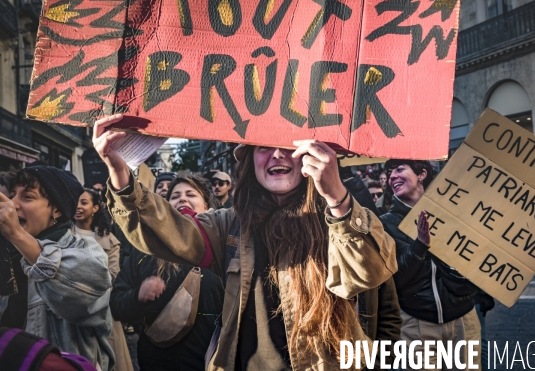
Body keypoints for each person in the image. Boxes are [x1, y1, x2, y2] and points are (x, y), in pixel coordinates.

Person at [94, 114, 398, 370]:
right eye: (264, 146)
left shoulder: (343, 218)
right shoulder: (228, 224)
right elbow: (170, 232)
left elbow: (370, 273)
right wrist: (121, 173)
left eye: (288, 146)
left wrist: (336, 197)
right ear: (250, 160)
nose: (277, 155)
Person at [0, 166, 114, 370]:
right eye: (11, 195)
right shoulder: (6, 252)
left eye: (27, 197)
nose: (12, 204)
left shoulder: (86, 249)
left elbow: (86, 298)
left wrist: (17, 234)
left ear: (57, 209)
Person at [110, 174, 225, 371]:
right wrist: (138, 295)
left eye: (191, 194)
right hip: (157, 362)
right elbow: (117, 305)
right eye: (175, 196)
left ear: (206, 206)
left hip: (215, 361)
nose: (183, 199)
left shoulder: (223, 247)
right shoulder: (146, 249)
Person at [379, 158, 481, 369]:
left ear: (421, 174)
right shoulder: (386, 224)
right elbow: (394, 280)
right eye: (390, 173)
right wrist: (419, 246)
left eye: (399, 169)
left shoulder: (454, 212)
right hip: (417, 323)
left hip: (463, 319)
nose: (392, 177)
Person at [73, 188, 134, 371]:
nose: (78, 206)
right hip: (70, 312)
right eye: (76, 202)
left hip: (101, 310)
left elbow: (111, 277)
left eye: (84, 202)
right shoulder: (63, 235)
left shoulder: (109, 240)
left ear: (95, 208)